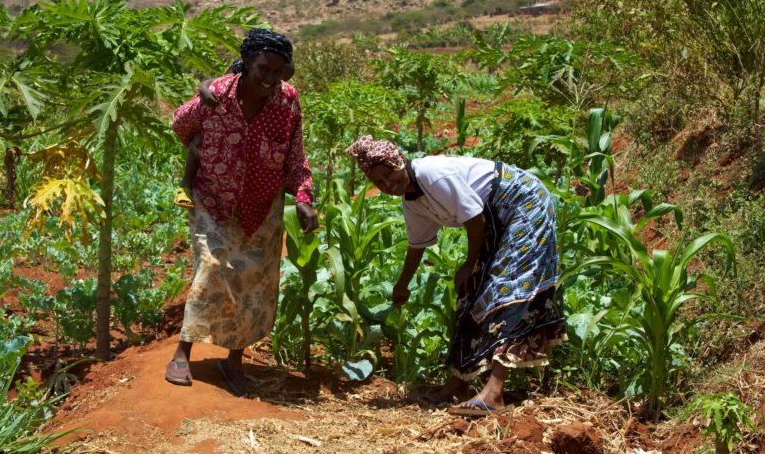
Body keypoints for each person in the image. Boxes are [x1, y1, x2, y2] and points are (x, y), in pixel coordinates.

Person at [345, 135, 565, 417]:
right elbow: (417, 245)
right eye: (380, 182)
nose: (388, 184)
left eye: (389, 174)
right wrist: (402, 285)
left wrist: (469, 263)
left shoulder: (432, 175)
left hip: (524, 202)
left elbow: (475, 222)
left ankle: (494, 393)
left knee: (508, 289)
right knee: (470, 292)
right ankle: (458, 384)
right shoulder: (411, 200)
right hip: (494, 217)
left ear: (399, 160)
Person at [165, 28, 318, 396]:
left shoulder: (288, 103)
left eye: (278, 71)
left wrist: (303, 197)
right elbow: (179, 123)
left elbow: (295, 155)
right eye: (264, 69)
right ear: (248, 63)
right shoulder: (217, 95)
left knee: (254, 282)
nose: (270, 79)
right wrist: (200, 146)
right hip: (214, 198)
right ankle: (183, 351)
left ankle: (234, 360)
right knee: (212, 266)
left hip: (262, 204)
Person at [174, 58, 295, 209]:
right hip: (215, 117)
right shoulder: (236, 77)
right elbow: (208, 83)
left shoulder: (278, 95)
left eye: (280, 78)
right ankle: (185, 185)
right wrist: (205, 91)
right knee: (200, 141)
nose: (273, 81)